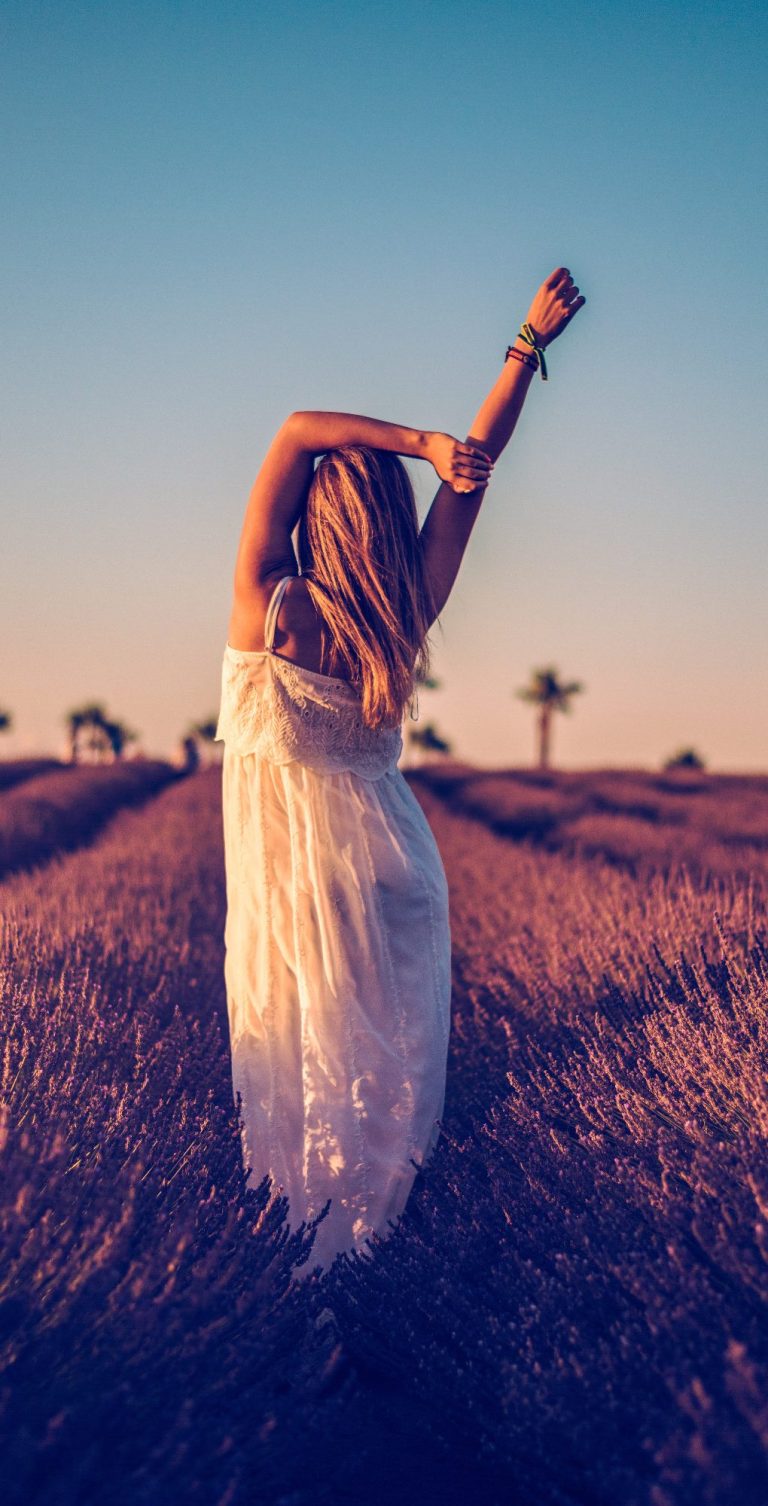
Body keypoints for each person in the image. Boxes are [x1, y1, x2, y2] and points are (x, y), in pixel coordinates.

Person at [215, 266, 586, 1278]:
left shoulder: (271, 607)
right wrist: (523, 344)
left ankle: (303, 1293)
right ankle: (370, 1283)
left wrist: (411, 440)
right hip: (394, 873)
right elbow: (483, 462)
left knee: (298, 1081)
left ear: (316, 516)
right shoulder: (405, 610)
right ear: (383, 519)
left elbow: (296, 428)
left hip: (299, 893)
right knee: (380, 1096)